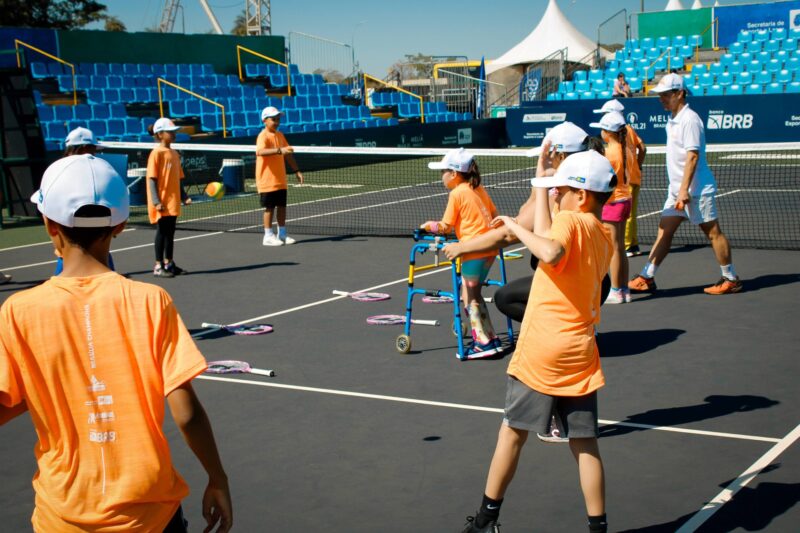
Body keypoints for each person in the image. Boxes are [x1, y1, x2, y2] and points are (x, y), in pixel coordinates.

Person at [0, 154, 232, 532]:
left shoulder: (17, 311)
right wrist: (217, 477)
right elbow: (186, 412)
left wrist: (48, 385)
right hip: (151, 514)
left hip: (62, 515)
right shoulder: (151, 300)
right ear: (121, 225)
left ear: (48, 224)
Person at [460, 150, 615, 533]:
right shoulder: (601, 233)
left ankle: (485, 520)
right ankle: (598, 528)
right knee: (584, 443)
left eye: (561, 190)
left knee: (512, 433)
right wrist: (542, 183)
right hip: (580, 349)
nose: (556, 196)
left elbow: (549, 248)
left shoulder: (570, 223)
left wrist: (516, 225)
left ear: (580, 195)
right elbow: (553, 237)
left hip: (544, 349)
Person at [443, 122, 611, 323]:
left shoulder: (561, 192)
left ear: (561, 156)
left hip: (577, 279)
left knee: (505, 298)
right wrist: (540, 179)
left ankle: (558, 328)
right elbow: (527, 212)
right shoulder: (571, 184)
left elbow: (509, 234)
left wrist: (462, 247)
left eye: (548, 156)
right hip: (594, 276)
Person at [628, 73, 742, 295]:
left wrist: (683, 191)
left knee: (713, 233)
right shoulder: (673, 119)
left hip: (695, 191)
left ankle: (730, 278)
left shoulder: (690, 120)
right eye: (659, 95)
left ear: (680, 94)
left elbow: (692, 157)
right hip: (678, 191)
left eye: (666, 94)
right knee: (664, 232)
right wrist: (678, 191)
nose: (661, 98)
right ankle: (646, 277)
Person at [421, 148, 502, 358]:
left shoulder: (456, 193)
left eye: (443, 172)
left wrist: (428, 226)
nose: (442, 176)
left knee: (469, 297)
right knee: (472, 294)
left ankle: (483, 342)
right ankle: (490, 337)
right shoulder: (478, 188)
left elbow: (445, 226)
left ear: (454, 174)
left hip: (474, 250)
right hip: (490, 247)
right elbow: (494, 214)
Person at [54, 127, 116, 275]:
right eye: (93, 149)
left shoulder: (57, 171)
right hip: (76, 251)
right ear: (84, 148)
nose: (95, 154)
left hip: (75, 251)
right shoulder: (66, 173)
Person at [592, 100, 647, 257]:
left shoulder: (611, 153)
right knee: (630, 216)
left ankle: (629, 245)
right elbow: (642, 148)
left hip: (617, 195)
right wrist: (638, 166)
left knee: (615, 246)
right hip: (629, 182)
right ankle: (632, 245)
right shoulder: (626, 141)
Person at [589, 111, 633, 304]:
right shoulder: (625, 149)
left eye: (602, 129)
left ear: (608, 132)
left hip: (613, 203)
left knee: (614, 248)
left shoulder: (610, 154)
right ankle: (624, 289)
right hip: (625, 200)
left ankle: (616, 290)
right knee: (620, 248)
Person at [146, 117, 192, 278]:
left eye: (174, 132)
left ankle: (169, 263)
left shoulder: (174, 153)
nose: (174, 135)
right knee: (162, 232)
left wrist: (184, 196)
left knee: (171, 232)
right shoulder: (156, 154)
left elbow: (178, 178)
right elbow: (152, 179)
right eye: (170, 132)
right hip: (162, 202)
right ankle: (158, 266)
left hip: (173, 202)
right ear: (159, 134)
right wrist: (156, 201)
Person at [256, 106, 305, 246]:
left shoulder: (280, 135)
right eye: (273, 119)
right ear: (265, 120)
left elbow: (288, 154)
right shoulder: (263, 136)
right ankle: (268, 236)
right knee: (269, 208)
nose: (276, 122)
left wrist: (297, 171)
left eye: (278, 119)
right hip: (267, 180)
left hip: (280, 179)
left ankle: (282, 234)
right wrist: (279, 150)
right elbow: (260, 152)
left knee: (282, 207)